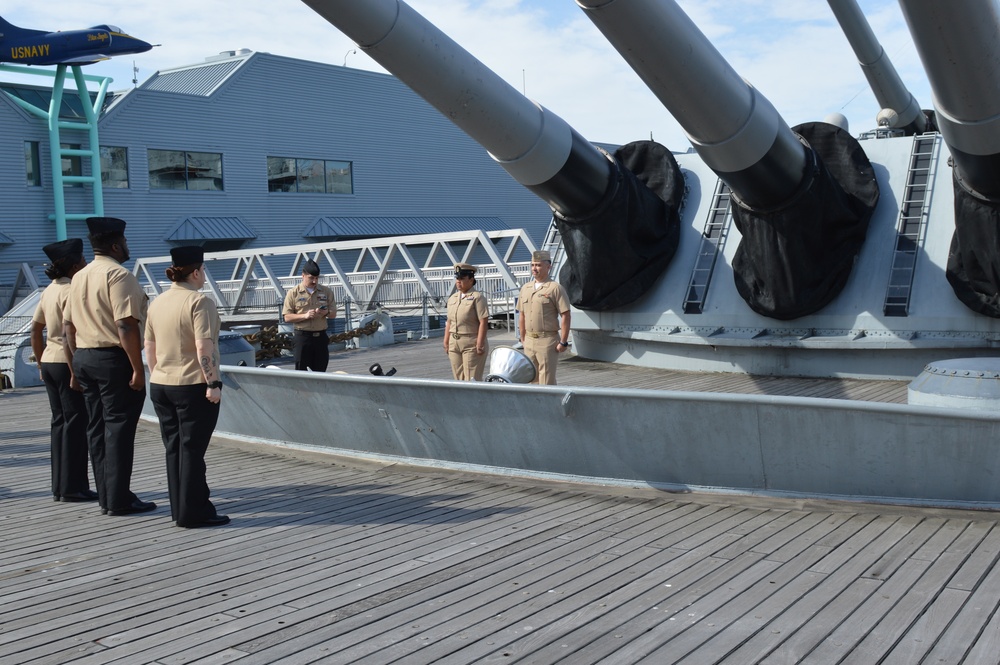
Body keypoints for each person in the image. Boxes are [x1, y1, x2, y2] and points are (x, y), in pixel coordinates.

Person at [63, 216, 155, 516]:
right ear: (116, 245)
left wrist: (76, 365)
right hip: (112, 359)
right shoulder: (119, 276)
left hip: (85, 356)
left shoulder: (79, 277)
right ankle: (119, 499)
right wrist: (138, 369)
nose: (127, 247)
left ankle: (106, 495)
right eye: (125, 242)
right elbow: (126, 325)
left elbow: (68, 328)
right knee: (118, 429)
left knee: (96, 428)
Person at [145, 246, 229, 528]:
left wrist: (158, 374)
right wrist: (213, 382)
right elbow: (203, 345)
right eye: (203, 270)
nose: (204, 275)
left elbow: (150, 346)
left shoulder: (157, 303)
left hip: (161, 383)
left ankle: (179, 508)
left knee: (174, 448)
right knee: (192, 450)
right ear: (195, 272)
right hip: (192, 384)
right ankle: (194, 512)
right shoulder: (199, 302)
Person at [30, 238, 98, 503]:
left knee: (59, 423)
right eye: (81, 260)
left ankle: (60, 485)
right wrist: (74, 372)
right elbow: (71, 333)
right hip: (66, 362)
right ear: (73, 265)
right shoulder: (72, 290)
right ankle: (74, 487)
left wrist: (39, 361)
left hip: (49, 360)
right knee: (76, 425)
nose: (85, 264)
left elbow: (36, 329)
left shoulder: (49, 290)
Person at [518, 250, 572, 385]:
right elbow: (522, 315)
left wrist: (563, 341)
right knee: (531, 379)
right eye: (532, 265)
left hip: (547, 341)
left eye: (538, 265)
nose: (534, 268)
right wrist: (523, 337)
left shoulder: (555, 288)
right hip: (529, 340)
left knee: (547, 381)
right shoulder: (525, 288)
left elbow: (565, 315)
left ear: (548, 267)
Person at [282, 259, 337, 372]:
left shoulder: (326, 292)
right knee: (302, 371)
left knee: (321, 370)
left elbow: (334, 314)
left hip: (320, 337)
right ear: (303, 276)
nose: (314, 281)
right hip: (303, 337)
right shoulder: (293, 293)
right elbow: (287, 317)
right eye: (311, 278)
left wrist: (325, 312)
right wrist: (305, 316)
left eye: (316, 278)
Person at [443, 263, 490, 380]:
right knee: (458, 378)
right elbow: (449, 321)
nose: (458, 282)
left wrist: (480, 343)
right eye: (457, 279)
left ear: (471, 279)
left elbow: (483, 321)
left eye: (462, 279)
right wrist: (446, 340)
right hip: (454, 341)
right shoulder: (452, 298)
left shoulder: (477, 297)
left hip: (471, 341)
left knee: (471, 378)